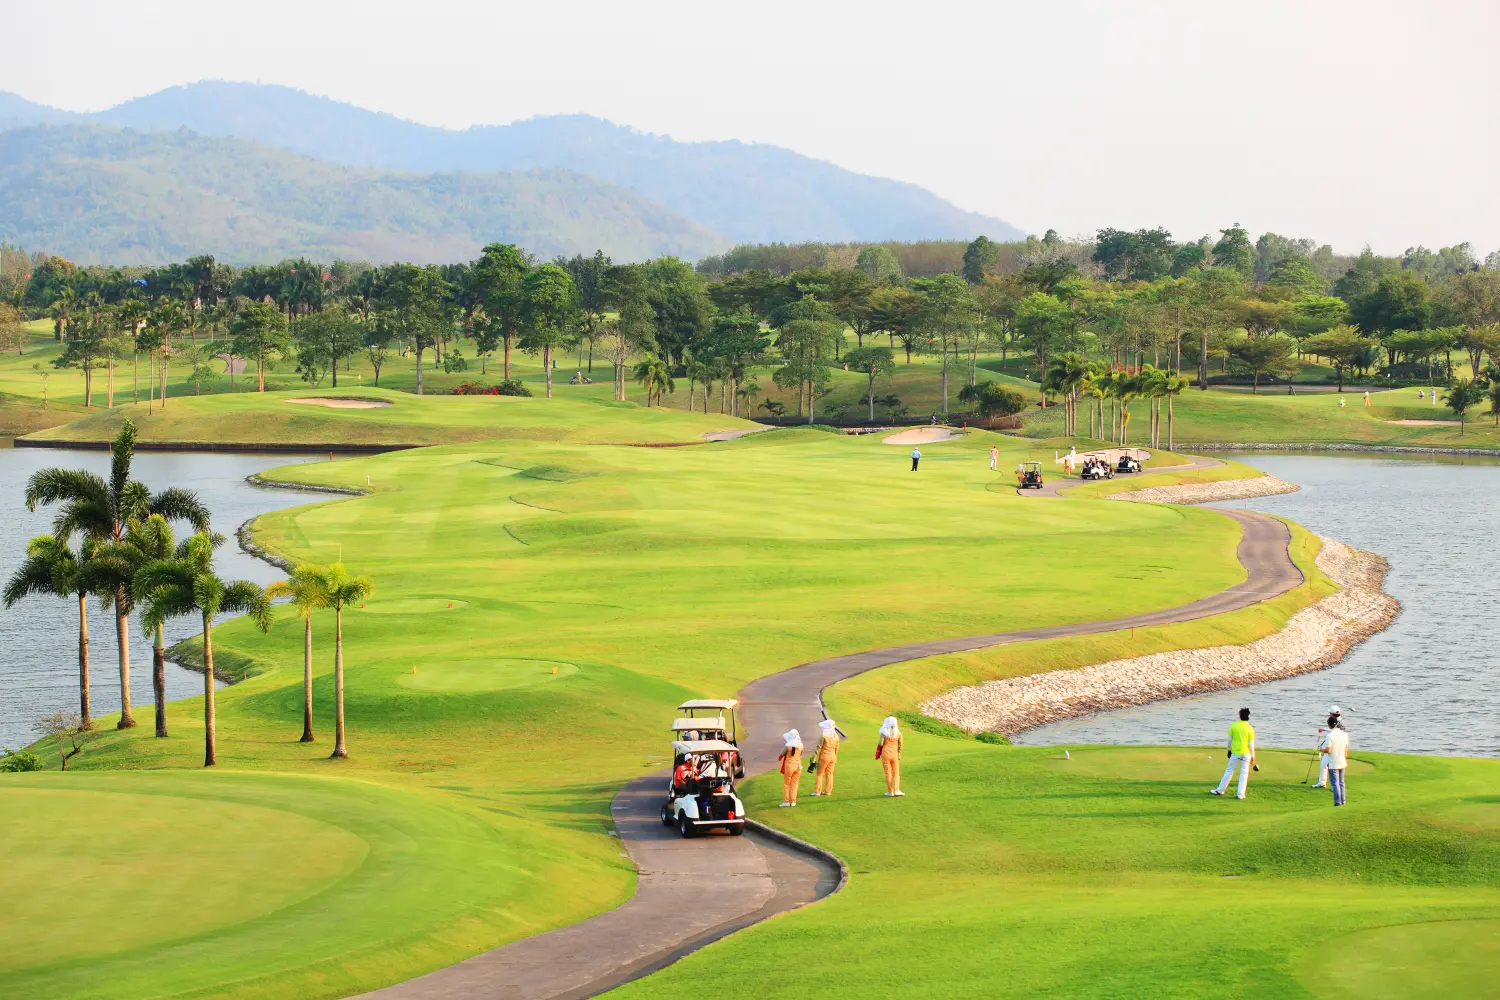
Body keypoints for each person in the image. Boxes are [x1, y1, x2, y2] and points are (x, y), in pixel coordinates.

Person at [1211, 708, 1256, 800]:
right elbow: (1251, 743)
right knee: (1244, 773)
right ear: (1248, 716)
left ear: (1240, 715)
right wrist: (1253, 756)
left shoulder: (1234, 726)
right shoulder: (1250, 728)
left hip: (1235, 753)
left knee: (1229, 771)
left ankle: (1220, 790)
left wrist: (1228, 750)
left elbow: (1229, 740)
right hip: (1246, 754)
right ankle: (1240, 795)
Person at [1321, 713, 1350, 806]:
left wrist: (1321, 749)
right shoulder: (1344, 735)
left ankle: (1338, 802)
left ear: (1329, 725)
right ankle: (1343, 801)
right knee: (1341, 783)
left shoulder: (1330, 736)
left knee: (1335, 784)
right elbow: (1346, 749)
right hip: (1342, 762)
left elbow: (1328, 750)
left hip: (1333, 763)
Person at [811, 718, 841, 796]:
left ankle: (817, 791)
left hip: (824, 757)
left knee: (819, 774)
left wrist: (814, 758)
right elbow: (836, 748)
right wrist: (835, 757)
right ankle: (828, 791)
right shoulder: (836, 736)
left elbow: (818, 747)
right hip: (833, 757)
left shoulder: (824, 735)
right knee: (830, 774)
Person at [877, 716, 904, 796]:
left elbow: (880, 744)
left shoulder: (884, 733)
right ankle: (897, 790)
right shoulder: (898, 734)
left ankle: (890, 791)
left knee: (888, 773)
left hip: (885, 754)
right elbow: (901, 745)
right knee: (896, 773)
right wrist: (899, 753)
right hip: (894, 754)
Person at [778, 729, 803, 807]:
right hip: (798, 766)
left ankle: (786, 801)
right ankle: (793, 801)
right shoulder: (801, 745)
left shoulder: (788, 746)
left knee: (787, 784)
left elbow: (781, 755)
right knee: (794, 784)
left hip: (789, 767)